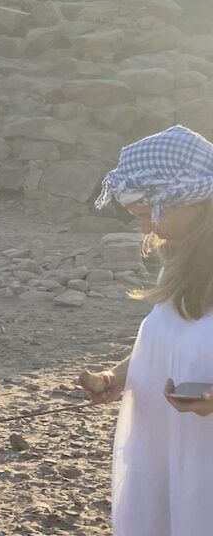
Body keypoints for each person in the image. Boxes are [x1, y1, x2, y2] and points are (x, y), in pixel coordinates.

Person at [79, 125, 213, 535]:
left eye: (148, 214)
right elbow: (169, 333)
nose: (144, 229)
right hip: (165, 444)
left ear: (191, 200)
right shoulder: (180, 258)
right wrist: (119, 375)